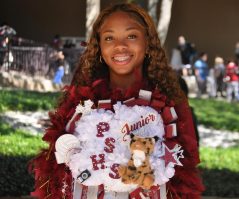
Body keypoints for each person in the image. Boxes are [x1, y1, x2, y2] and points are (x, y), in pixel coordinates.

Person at [30, 3, 204, 199]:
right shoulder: (81, 101)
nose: (120, 45)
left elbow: (186, 173)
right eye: (109, 37)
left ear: (148, 42)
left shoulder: (170, 103)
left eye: (131, 36)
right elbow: (56, 169)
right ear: (99, 46)